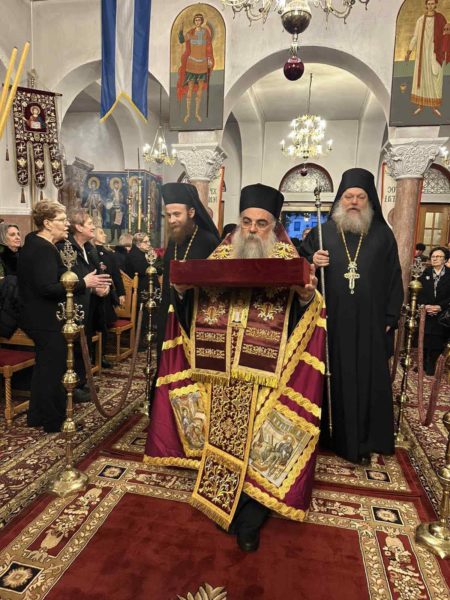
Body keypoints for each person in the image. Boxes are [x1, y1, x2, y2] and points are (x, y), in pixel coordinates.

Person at [145, 183, 325, 553]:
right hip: (222, 368)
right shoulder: (220, 255)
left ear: (274, 226)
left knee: (260, 441)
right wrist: (181, 292)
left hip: (267, 370)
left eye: (261, 223)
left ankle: (252, 515)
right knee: (224, 433)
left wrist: (307, 296)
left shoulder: (288, 259)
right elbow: (191, 307)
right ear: (239, 222)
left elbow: (307, 315)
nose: (253, 230)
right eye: (246, 222)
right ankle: (224, 497)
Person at [302, 168, 403, 465]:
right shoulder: (323, 233)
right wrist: (311, 260)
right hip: (331, 322)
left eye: (360, 197)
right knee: (330, 376)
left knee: (367, 379)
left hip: (369, 324)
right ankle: (329, 435)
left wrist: (390, 316)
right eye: (349, 197)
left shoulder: (383, 235)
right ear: (340, 200)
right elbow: (300, 268)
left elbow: (394, 277)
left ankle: (366, 437)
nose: (354, 202)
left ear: (369, 201)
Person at [17, 200, 109, 433]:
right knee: (55, 370)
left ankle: (37, 416)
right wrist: (84, 283)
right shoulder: (42, 248)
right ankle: (55, 421)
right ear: (47, 223)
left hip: (40, 316)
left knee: (44, 369)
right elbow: (47, 288)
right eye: (61, 220)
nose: (67, 224)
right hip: (45, 319)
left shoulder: (39, 244)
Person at [155, 182, 220, 362]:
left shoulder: (209, 241)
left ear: (191, 212)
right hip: (171, 311)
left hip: (197, 315)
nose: (171, 220)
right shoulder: (174, 240)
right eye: (168, 215)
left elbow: (217, 285)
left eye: (177, 214)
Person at [63, 209, 112, 399]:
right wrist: (93, 288)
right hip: (75, 306)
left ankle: (82, 382)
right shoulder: (67, 248)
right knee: (75, 347)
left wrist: (102, 287)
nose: (93, 226)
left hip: (90, 305)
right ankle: (73, 387)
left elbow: (95, 273)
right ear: (78, 227)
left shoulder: (88, 248)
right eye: (90, 223)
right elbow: (71, 279)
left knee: (85, 344)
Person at [405, 0, 450, 117]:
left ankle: (435, 106)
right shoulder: (420, 20)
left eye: (432, 3)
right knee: (422, 78)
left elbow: (446, 35)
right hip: (423, 54)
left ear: (436, 4)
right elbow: (415, 37)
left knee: (436, 77)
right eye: (428, 4)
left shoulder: (440, 19)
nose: (430, 6)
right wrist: (409, 52)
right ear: (426, 5)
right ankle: (420, 105)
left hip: (436, 53)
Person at [92, 226, 125, 367]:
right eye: (101, 233)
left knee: (103, 325)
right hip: (91, 293)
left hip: (106, 294)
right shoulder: (89, 251)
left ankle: (101, 355)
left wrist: (121, 293)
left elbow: (116, 275)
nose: (105, 235)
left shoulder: (109, 254)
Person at [418, 246, 450, 375]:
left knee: (437, 339)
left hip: (443, 313)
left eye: (438, 256)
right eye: (433, 256)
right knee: (425, 337)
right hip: (426, 311)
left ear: (445, 260)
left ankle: (432, 365)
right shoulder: (425, 273)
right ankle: (423, 363)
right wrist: (426, 306)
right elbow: (418, 292)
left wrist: (440, 307)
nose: (435, 259)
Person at [177, 13, 214, 123]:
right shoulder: (191, 33)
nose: (198, 22)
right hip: (192, 64)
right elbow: (181, 40)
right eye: (196, 20)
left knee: (199, 91)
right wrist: (180, 30)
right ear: (194, 21)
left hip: (202, 64)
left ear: (201, 21)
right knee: (190, 89)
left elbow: (209, 47)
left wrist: (209, 59)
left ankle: (197, 113)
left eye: (199, 20)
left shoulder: (205, 33)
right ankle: (188, 114)